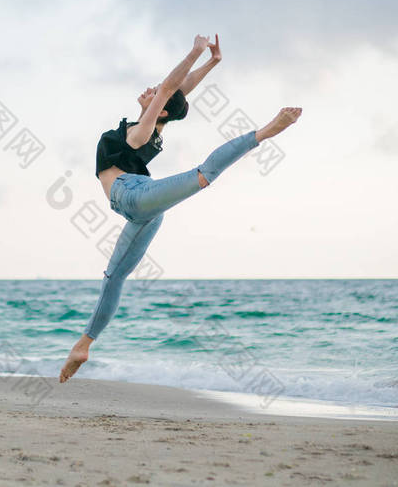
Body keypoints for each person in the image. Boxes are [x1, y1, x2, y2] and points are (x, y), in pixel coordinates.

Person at [59, 34, 302, 383]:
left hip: (134, 194)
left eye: (157, 92)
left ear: (162, 107)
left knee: (203, 175)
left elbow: (171, 88)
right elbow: (178, 91)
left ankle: (264, 132)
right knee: (114, 277)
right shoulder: (150, 125)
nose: (151, 89)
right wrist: (212, 63)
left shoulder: (142, 133)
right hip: (141, 210)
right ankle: (83, 345)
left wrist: (193, 52)